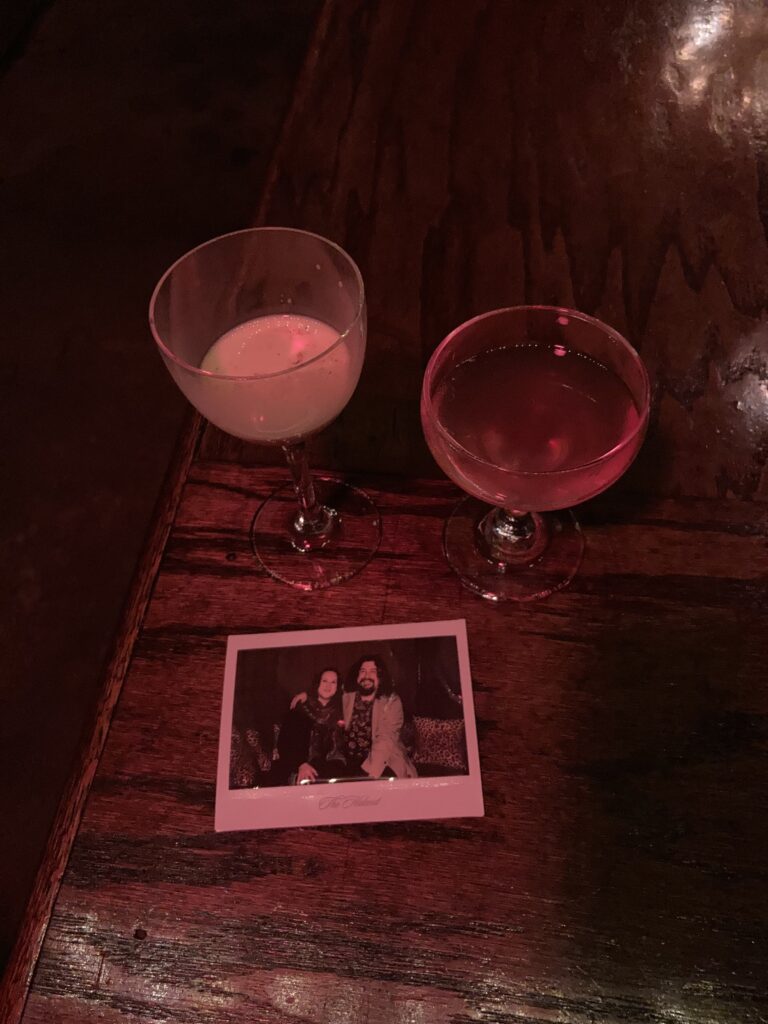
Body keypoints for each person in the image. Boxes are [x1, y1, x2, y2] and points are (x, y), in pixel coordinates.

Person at [341, 655, 417, 779]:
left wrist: (371, 774)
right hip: (349, 759)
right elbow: (325, 698)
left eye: (372, 672)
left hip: (384, 759)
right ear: (357, 676)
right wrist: (307, 695)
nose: (366, 676)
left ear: (380, 677)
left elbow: (386, 738)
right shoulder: (347, 697)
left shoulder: (392, 701)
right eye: (363, 671)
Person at [275, 667, 346, 785]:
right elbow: (285, 744)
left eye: (333, 682)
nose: (328, 685)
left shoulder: (343, 710)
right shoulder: (300, 710)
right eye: (324, 681)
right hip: (304, 767)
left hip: (335, 768)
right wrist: (300, 764)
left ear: (338, 687)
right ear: (317, 683)